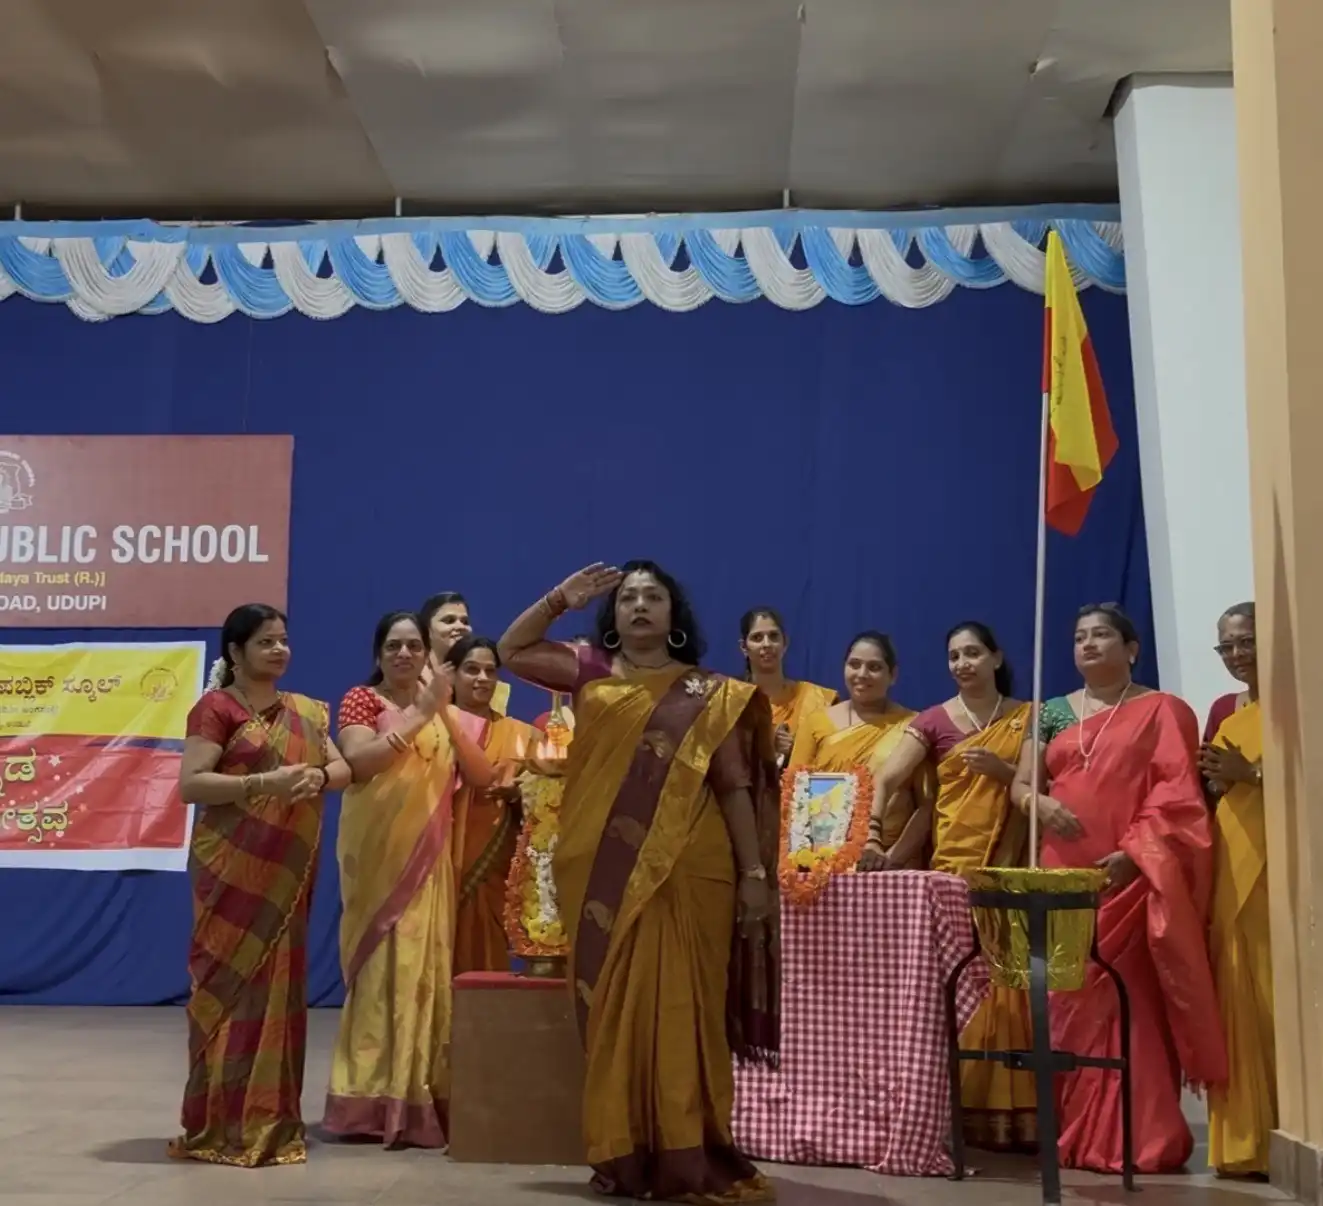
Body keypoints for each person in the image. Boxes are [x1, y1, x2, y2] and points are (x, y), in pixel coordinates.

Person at [498, 561, 779, 1203]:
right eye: (629, 597)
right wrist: (557, 598)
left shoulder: (710, 692)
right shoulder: (590, 670)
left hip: (696, 864)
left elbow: (733, 787)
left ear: (674, 615)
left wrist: (754, 875)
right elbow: (511, 649)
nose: (641, 606)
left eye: (654, 596)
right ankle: (624, 1149)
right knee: (615, 1008)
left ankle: (690, 1148)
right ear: (614, 613)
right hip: (602, 870)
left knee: (688, 1008)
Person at [1012, 604, 1227, 1173]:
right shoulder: (1052, 712)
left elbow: (1178, 795)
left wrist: (1135, 855)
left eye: (1101, 634)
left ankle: (1143, 1139)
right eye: (1079, 636)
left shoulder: (1163, 709)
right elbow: (1021, 786)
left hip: (1129, 878)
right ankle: (1077, 1138)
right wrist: (1040, 802)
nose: (1087, 644)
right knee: (1067, 1002)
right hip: (1062, 871)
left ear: (1131, 648)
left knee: (1129, 1002)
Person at [171, 603, 352, 1167]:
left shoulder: (305, 712)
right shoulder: (216, 709)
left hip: (284, 877)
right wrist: (262, 782)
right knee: (227, 988)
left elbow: (342, 769)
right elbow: (191, 786)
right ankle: (219, 1125)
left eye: (283, 641)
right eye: (266, 643)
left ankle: (271, 1122)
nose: (279, 650)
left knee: (278, 989)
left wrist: (321, 776)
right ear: (235, 652)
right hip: (232, 873)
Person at [861, 622, 1034, 1149]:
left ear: (996, 656)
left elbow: (1038, 786)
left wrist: (1003, 771)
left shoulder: (1029, 716)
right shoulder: (935, 721)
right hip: (952, 874)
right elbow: (889, 778)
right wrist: (872, 833)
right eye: (954, 655)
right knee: (958, 990)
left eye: (973, 652)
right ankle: (954, 1110)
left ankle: (1018, 1115)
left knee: (1010, 986)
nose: (963, 663)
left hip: (1012, 870)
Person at [323, 612, 493, 1148]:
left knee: (424, 973)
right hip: (377, 865)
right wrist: (419, 714)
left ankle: (419, 1094)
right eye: (393, 645)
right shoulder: (361, 700)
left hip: (429, 864)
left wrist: (439, 709)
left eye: (413, 646)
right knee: (380, 976)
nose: (403, 654)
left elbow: (483, 776)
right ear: (378, 654)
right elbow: (359, 761)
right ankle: (367, 1098)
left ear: (426, 654)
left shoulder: (442, 707)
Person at [1198, 602, 1274, 1177]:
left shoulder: (1301, 697)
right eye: (1227, 647)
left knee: (1279, 992)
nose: (1237, 655)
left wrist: (1251, 775)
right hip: (1234, 852)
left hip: (1282, 862)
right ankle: (1247, 1142)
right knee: (1238, 983)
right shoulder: (1226, 711)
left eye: (1246, 642)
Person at [787, 630, 930, 866]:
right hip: (823, 863)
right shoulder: (816, 723)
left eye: (874, 667)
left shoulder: (914, 725)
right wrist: (811, 860)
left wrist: (891, 859)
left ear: (893, 674)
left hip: (892, 864)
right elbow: (795, 795)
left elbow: (926, 806)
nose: (862, 674)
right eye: (854, 665)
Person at [446, 635, 535, 974]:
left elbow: (546, 800)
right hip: (439, 861)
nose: (482, 678)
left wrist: (519, 794)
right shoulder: (432, 728)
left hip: (496, 861)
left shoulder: (522, 735)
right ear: (452, 675)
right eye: (471, 670)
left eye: (489, 671)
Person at [739, 607, 836, 767]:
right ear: (744, 647)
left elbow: (833, 763)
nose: (767, 644)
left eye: (773, 636)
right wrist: (768, 748)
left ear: (785, 643)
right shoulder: (733, 702)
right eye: (757, 637)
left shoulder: (816, 699)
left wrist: (798, 751)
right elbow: (724, 766)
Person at [421, 591, 510, 715]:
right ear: (426, 630)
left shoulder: (491, 686)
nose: (460, 626)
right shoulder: (412, 682)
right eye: (449, 620)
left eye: (465, 622)